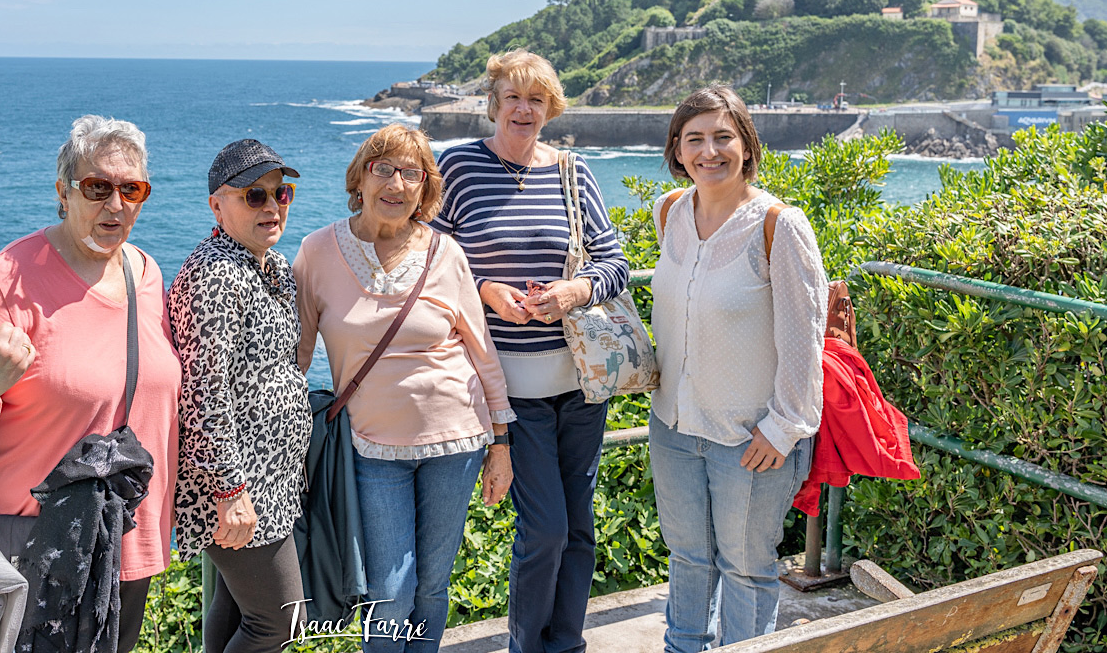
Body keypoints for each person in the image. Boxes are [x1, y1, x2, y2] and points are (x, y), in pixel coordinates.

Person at [0, 115, 181, 653]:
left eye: (130, 189)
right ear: (63, 192)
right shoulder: (10, 279)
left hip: (125, 536)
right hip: (31, 544)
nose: (114, 205)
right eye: (96, 187)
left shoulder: (145, 273)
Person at [430, 49, 630, 653]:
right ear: (493, 104)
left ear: (551, 109)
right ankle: (528, 646)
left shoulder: (574, 172)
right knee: (543, 529)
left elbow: (614, 262)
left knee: (578, 528)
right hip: (511, 391)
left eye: (536, 99)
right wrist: (485, 291)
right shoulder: (460, 169)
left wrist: (577, 289)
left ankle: (566, 643)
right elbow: (432, 262)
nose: (524, 109)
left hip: (579, 384)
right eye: (513, 97)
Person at [294, 124, 514, 652]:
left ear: (424, 187)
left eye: (411, 173)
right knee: (390, 593)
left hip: (456, 442)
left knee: (433, 587)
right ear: (361, 178)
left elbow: (482, 351)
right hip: (372, 447)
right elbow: (297, 355)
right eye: (383, 168)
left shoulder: (445, 252)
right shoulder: (317, 251)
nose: (396, 183)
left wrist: (501, 443)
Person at [649, 86, 825, 650]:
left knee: (747, 568)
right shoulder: (671, 210)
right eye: (694, 138)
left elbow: (805, 335)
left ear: (747, 146)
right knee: (688, 557)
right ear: (677, 149)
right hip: (674, 426)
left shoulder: (779, 224)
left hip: (750, 437)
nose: (709, 151)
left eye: (723, 137)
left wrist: (782, 427)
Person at [168, 139, 312, 653]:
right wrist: (230, 491)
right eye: (254, 196)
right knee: (279, 620)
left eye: (282, 193)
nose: (272, 207)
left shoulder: (266, 265)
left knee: (235, 616)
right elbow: (204, 394)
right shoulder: (215, 274)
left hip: (269, 479)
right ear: (217, 205)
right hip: (237, 484)